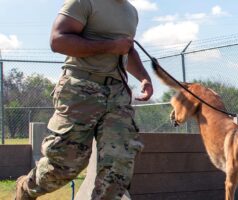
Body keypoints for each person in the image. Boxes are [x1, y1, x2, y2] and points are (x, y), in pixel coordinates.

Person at [15, 0, 153, 199]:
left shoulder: (131, 11)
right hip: (81, 88)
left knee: (119, 165)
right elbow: (58, 40)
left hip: (117, 93)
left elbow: (127, 50)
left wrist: (144, 77)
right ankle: (27, 188)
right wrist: (111, 45)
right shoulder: (84, 2)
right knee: (65, 164)